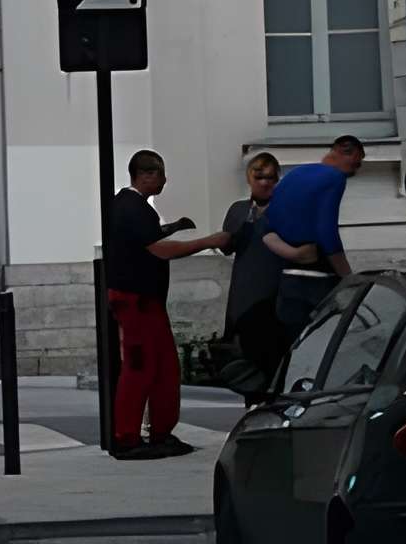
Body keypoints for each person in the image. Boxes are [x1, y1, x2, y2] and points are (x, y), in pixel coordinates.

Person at [105, 149, 230, 459]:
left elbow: (145, 238)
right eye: (160, 173)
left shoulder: (129, 206)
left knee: (163, 367)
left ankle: (161, 432)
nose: (164, 180)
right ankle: (127, 437)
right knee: (141, 367)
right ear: (145, 175)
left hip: (144, 299)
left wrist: (174, 227)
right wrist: (208, 241)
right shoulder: (133, 208)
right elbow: (158, 249)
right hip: (137, 300)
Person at [261, 135, 365, 334]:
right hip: (318, 281)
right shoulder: (334, 178)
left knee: (294, 345)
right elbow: (326, 231)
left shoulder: (296, 174)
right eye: (357, 162)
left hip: (287, 280)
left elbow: (266, 229)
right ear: (345, 152)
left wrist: (294, 254)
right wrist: (348, 278)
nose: (357, 169)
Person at [217, 153, 285, 393]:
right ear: (249, 178)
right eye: (259, 177)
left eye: (270, 178)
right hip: (245, 294)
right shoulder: (239, 210)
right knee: (248, 366)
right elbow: (227, 247)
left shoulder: (285, 209)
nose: (265, 183)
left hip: (274, 294)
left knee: (275, 362)